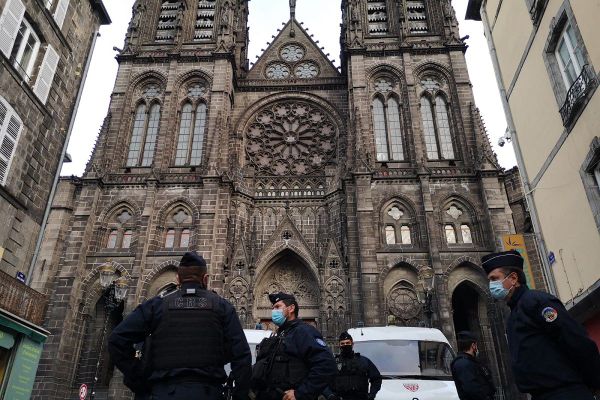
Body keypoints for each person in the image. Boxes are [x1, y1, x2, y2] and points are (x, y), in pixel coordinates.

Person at [108, 251, 252, 400]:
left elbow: (116, 340)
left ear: (178, 278)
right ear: (205, 279)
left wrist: (138, 375)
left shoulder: (157, 306)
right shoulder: (222, 307)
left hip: (163, 392)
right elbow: (242, 356)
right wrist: (239, 395)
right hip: (208, 393)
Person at [482, 250, 600, 400]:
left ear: (513, 278)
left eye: (494, 278)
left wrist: (595, 382)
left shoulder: (537, 302)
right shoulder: (514, 314)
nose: (492, 285)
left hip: (565, 392)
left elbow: (576, 341)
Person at [251, 292, 336, 400]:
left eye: (277, 307)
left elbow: (327, 365)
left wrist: (301, 393)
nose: (273, 311)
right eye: (273, 308)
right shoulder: (280, 335)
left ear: (291, 308)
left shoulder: (303, 331)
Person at [323, 331, 382, 400]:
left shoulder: (363, 361)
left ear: (352, 344)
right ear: (339, 345)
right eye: (342, 343)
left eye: (348, 343)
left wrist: (371, 395)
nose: (345, 345)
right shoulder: (333, 363)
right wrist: (330, 395)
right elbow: (322, 381)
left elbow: (376, 378)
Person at [450, 331, 495, 400]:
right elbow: (471, 389)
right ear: (473, 346)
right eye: (476, 345)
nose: (477, 348)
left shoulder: (471, 361)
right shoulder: (463, 363)